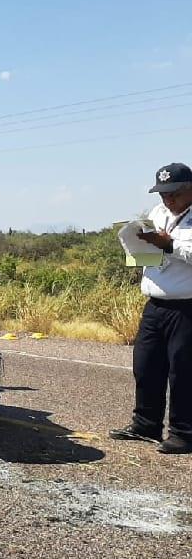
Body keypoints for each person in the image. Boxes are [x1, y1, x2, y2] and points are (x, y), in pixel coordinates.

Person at [110, 162, 192, 454]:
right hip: (156, 304)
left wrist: (169, 245)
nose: (167, 200)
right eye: (162, 194)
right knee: (146, 367)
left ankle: (184, 433)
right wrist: (139, 245)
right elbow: (153, 250)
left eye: (173, 193)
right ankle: (146, 424)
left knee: (183, 373)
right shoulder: (158, 214)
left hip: (187, 308)